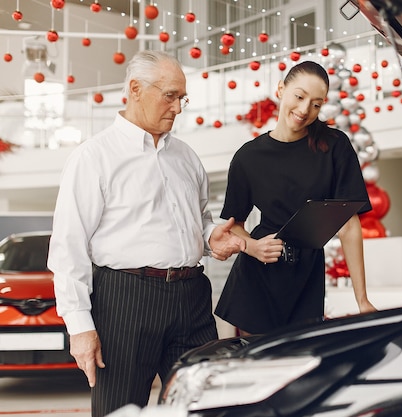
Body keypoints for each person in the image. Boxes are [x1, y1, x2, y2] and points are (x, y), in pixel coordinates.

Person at [47, 50, 245, 417]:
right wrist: (80, 327)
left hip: (192, 298)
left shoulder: (186, 157)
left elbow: (198, 219)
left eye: (182, 97)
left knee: (210, 407)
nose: (179, 107)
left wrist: (209, 235)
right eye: (170, 95)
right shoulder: (94, 157)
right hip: (125, 300)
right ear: (135, 89)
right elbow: (67, 250)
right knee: (119, 411)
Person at [215, 60, 377, 336]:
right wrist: (253, 247)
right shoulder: (247, 157)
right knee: (259, 371)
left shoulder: (335, 146)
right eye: (299, 97)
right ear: (281, 90)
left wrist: (362, 299)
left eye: (316, 104)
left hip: (307, 276)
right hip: (258, 278)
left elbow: (349, 226)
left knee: (302, 365)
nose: (305, 110)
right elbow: (234, 224)